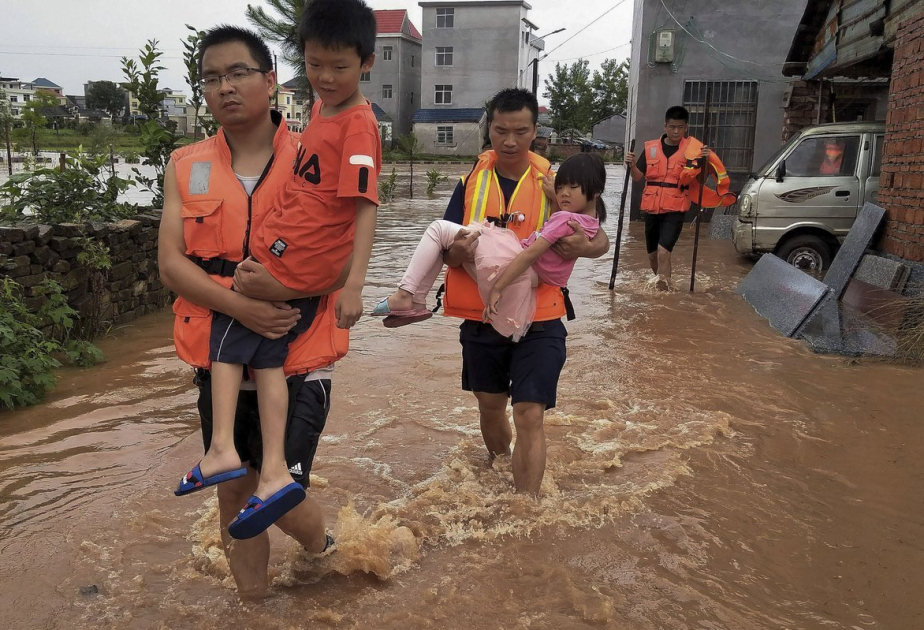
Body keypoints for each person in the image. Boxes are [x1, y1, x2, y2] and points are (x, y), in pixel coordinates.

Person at [173, 0, 380, 541]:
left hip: (299, 352)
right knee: (232, 492)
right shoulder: (186, 163)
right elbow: (170, 264)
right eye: (211, 77)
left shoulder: (322, 143)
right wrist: (242, 306)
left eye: (238, 72)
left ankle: (323, 554)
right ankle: (254, 611)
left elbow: (345, 240)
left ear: (269, 79)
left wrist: (297, 288)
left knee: (284, 498)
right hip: (221, 352)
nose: (225, 87)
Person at [415, 88, 609, 494]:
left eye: (520, 131)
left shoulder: (557, 184)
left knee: (529, 413)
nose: (509, 141)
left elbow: (598, 234)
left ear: (535, 131)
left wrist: (588, 247)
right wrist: (455, 254)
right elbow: (443, 250)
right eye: (501, 130)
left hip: (541, 314)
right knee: (490, 406)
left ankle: (526, 506)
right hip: (483, 315)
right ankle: (501, 467)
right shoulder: (469, 184)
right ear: (489, 129)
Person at [372, 153, 607, 343]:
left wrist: (498, 287)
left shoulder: (561, 210)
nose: (564, 191)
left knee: (438, 230)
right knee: (449, 239)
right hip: (530, 275)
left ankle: (407, 295)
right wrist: (557, 200)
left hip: (515, 264)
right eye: (562, 187)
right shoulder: (588, 218)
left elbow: (532, 253)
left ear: (533, 130)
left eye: (572, 187)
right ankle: (416, 301)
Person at [624, 106, 710, 291]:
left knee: (664, 252)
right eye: (672, 127)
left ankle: (664, 295)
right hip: (652, 207)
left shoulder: (693, 150)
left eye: (680, 127)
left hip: (675, 208)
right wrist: (631, 165)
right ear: (665, 126)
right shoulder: (650, 148)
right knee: (653, 256)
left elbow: (700, 180)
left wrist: (705, 161)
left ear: (686, 127)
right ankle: (662, 286)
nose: (676, 131)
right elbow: (638, 177)